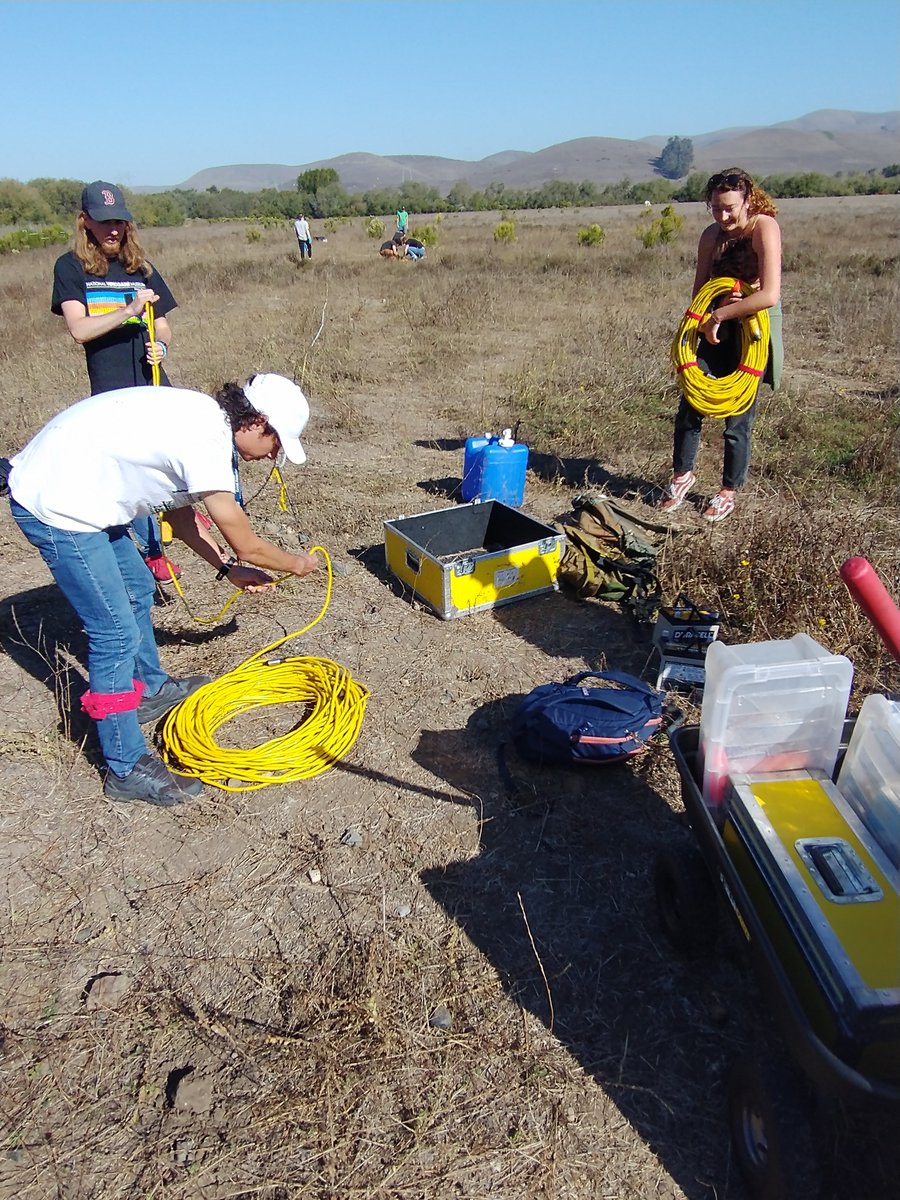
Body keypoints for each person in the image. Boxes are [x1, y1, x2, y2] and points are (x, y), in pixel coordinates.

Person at [7, 373, 320, 808]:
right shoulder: (206, 440)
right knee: (114, 633)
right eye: (275, 444)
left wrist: (226, 568)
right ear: (257, 421)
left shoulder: (206, 421)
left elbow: (181, 513)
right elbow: (248, 543)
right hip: (58, 503)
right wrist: (298, 564)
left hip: (87, 491)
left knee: (136, 587)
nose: (272, 457)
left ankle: (149, 691)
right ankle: (125, 766)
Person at [51, 180, 182, 580]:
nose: (113, 229)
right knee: (128, 474)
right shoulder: (70, 268)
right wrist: (128, 310)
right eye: (104, 221)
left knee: (164, 467)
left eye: (120, 222)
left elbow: (163, 328)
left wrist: (160, 347)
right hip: (110, 393)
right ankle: (145, 553)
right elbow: (80, 330)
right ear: (85, 221)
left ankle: (170, 535)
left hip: (154, 385)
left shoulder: (140, 268)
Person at [660, 168, 782, 523]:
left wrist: (722, 315)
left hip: (751, 331)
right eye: (715, 208)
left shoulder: (764, 227)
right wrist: (700, 323)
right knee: (691, 401)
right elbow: (700, 290)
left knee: (738, 414)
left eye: (730, 208)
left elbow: (769, 294)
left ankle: (728, 491)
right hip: (713, 327)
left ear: (748, 200)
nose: (723, 216)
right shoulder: (711, 235)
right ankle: (682, 476)